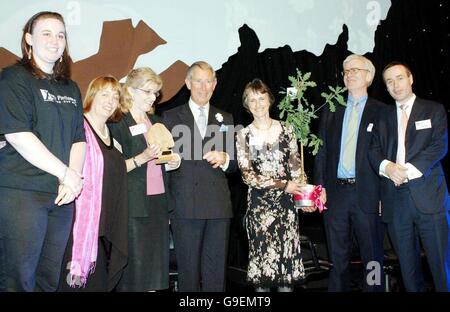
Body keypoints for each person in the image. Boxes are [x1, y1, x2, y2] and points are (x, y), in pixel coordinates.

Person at [0, 11, 85, 292]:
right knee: (18, 280)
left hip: (61, 196)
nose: (55, 40)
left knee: (49, 280)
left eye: (61, 34)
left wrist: (72, 180)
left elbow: (78, 139)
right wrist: (66, 173)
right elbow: (18, 135)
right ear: (29, 40)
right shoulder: (14, 79)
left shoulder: (70, 88)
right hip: (22, 193)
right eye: (46, 33)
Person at [369, 61, 449, 291]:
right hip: (396, 200)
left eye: (400, 78)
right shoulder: (382, 116)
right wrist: (387, 167)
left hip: (429, 197)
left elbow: (438, 146)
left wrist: (405, 172)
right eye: (389, 81)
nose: (395, 85)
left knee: (440, 266)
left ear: (411, 78)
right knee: (408, 270)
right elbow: (372, 150)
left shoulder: (433, 110)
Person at [162, 61, 237, 292]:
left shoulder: (226, 118)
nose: (203, 87)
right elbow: (162, 165)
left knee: (216, 275)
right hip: (185, 207)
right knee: (188, 276)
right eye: (198, 81)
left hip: (217, 208)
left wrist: (226, 159)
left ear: (214, 85)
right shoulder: (170, 117)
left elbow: (236, 164)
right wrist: (165, 207)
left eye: (208, 81)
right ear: (187, 83)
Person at [313, 54, 386, 291]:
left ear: (369, 76)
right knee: (337, 257)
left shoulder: (382, 111)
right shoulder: (332, 109)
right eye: (346, 71)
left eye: (355, 70)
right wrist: (319, 187)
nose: (349, 74)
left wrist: (385, 196)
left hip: (368, 193)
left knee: (372, 257)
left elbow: (388, 154)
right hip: (335, 195)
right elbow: (321, 151)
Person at [236, 79, 315, 292]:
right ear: (246, 104)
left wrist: (306, 197)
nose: (258, 103)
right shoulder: (243, 135)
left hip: (286, 209)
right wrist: (283, 185)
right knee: (263, 275)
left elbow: (296, 169)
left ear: (269, 99)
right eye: (252, 99)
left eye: (261, 98)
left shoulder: (287, 129)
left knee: (285, 276)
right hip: (260, 210)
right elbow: (247, 176)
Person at [110, 67, 180, 292]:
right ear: (130, 90)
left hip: (158, 204)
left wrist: (172, 162)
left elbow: (163, 159)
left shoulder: (157, 122)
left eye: (156, 93)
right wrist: (142, 158)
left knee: (155, 274)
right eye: (148, 92)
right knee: (135, 274)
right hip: (133, 207)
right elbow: (111, 169)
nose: (153, 98)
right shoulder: (117, 123)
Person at [58, 76, 128, 291]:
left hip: (103, 228)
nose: (110, 100)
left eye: (115, 96)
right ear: (92, 95)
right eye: (104, 94)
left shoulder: (113, 136)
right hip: (75, 225)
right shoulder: (78, 127)